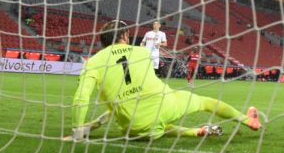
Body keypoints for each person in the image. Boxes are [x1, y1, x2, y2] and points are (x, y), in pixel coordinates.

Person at [68, 20, 261, 141]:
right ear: (125, 36)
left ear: (102, 41)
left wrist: (79, 129)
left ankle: (195, 132)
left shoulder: (93, 62)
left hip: (133, 127)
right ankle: (248, 121)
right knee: (204, 102)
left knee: (148, 124)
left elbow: (81, 98)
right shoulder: (142, 53)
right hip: (164, 104)